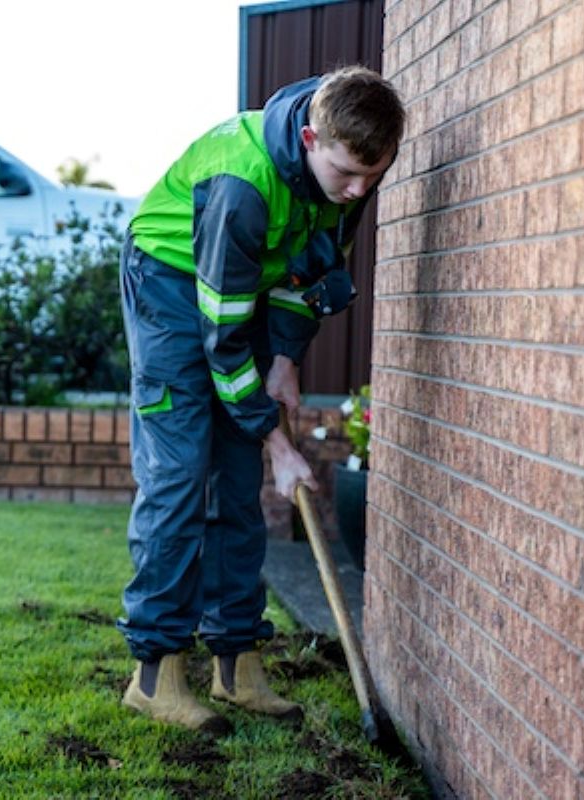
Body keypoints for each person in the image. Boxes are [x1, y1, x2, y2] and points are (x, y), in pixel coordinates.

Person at [117, 65, 405, 736]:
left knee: (239, 480)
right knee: (181, 476)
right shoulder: (240, 185)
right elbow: (220, 341)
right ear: (310, 138)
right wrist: (277, 441)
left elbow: (308, 270)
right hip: (171, 283)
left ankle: (235, 662)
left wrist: (283, 360)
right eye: (346, 176)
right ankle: (155, 673)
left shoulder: (350, 168)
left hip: (234, 288)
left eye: (374, 175)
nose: (359, 191)